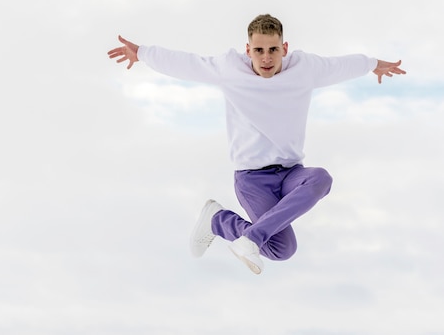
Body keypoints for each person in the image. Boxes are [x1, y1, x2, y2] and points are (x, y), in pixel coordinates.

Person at [107, 14, 405, 274]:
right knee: (282, 249)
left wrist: (373, 64)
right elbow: (187, 64)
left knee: (321, 178)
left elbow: (341, 65)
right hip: (252, 179)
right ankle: (219, 220)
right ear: (247, 50)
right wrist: (144, 53)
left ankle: (245, 237)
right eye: (259, 50)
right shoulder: (229, 70)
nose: (266, 58)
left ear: (284, 48)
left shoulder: (304, 69)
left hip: (291, 174)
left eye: (273, 50)